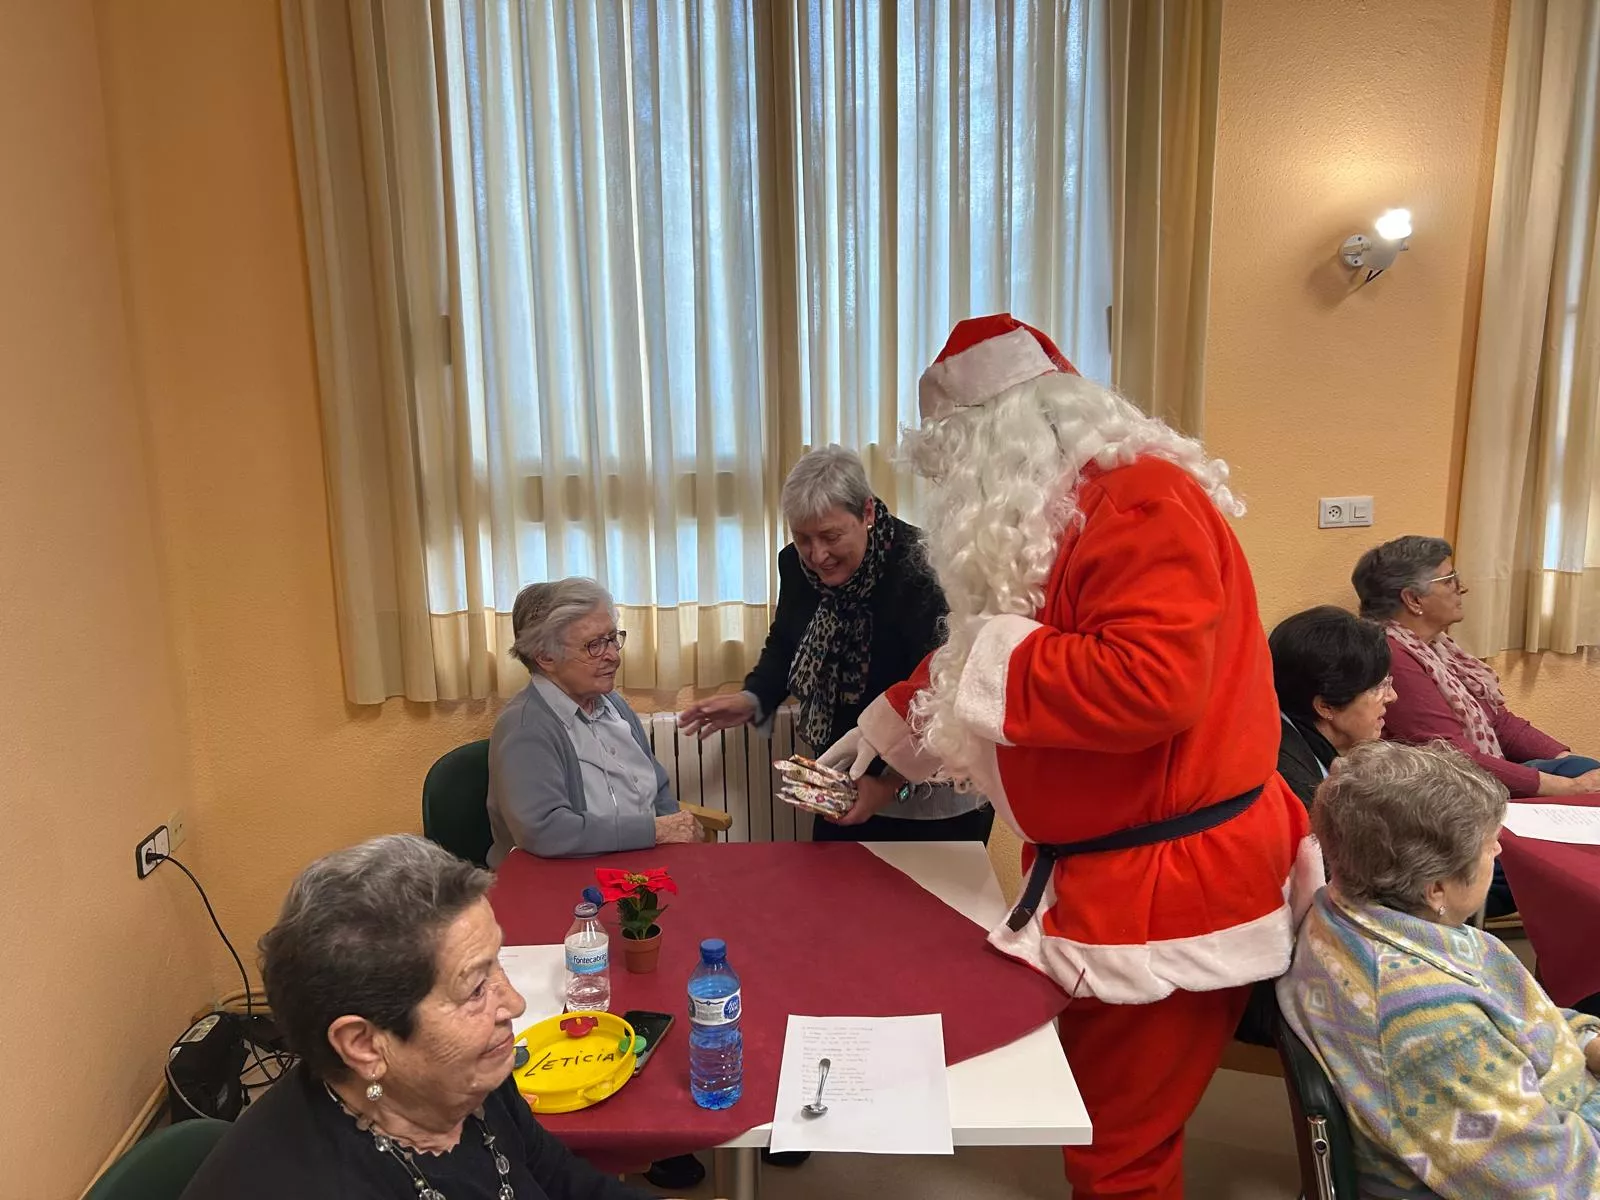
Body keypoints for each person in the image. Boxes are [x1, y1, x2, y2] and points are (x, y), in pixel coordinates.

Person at [819, 314, 1316, 1199]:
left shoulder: (1136, 503)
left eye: (950, 458)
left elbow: (1145, 682)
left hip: (1174, 886)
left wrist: (976, 659)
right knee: (1102, 1118)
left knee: (1119, 1143)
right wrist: (888, 743)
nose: (946, 489)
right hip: (1118, 875)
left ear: (995, 440)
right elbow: (1004, 652)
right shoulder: (1062, 515)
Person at [181, 835, 673, 1200]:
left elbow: (563, 1181)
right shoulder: (309, 1183)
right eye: (475, 988)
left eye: (497, 965)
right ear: (364, 1045)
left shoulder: (463, 1080)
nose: (514, 1004)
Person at [1278, 740, 1600, 1198]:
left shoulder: (1347, 901)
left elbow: (1518, 1016)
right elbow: (1556, 1183)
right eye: (1490, 847)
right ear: (1436, 888)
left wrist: (1586, 1041)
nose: (1499, 853)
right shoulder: (1430, 1025)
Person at [678, 445, 992, 843]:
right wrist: (754, 697)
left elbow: (943, 696)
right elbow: (786, 640)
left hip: (931, 787)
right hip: (843, 777)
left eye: (830, 536)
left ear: (867, 513)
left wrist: (889, 785)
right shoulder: (796, 565)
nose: (817, 555)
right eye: (803, 537)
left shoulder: (925, 571)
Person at [1352, 535, 1600, 799]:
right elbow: (1453, 756)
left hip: (1475, 773)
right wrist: (1571, 787)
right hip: (1445, 792)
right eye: (1448, 581)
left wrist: (1566, 760)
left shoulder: (1437, 646)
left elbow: (1498, 721)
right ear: (1413, 599)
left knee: (1584, 768)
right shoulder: (1393, 657)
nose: (1462, 588)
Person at [487, 578, 701, 867]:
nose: (613, 655)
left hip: (641, 870)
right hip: (568, 883)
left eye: (613, 639)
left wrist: (678, 844)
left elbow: (657, 787)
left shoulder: (613, 704)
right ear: (546, 656)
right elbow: (546, 830)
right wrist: (656, 832)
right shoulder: (525, 727)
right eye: (594, 645)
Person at [1269, 605, 1395, 809]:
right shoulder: (1298, 789)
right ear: (1326, 706)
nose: (1392, 696)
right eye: (1378, 688)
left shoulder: (1306, 743)